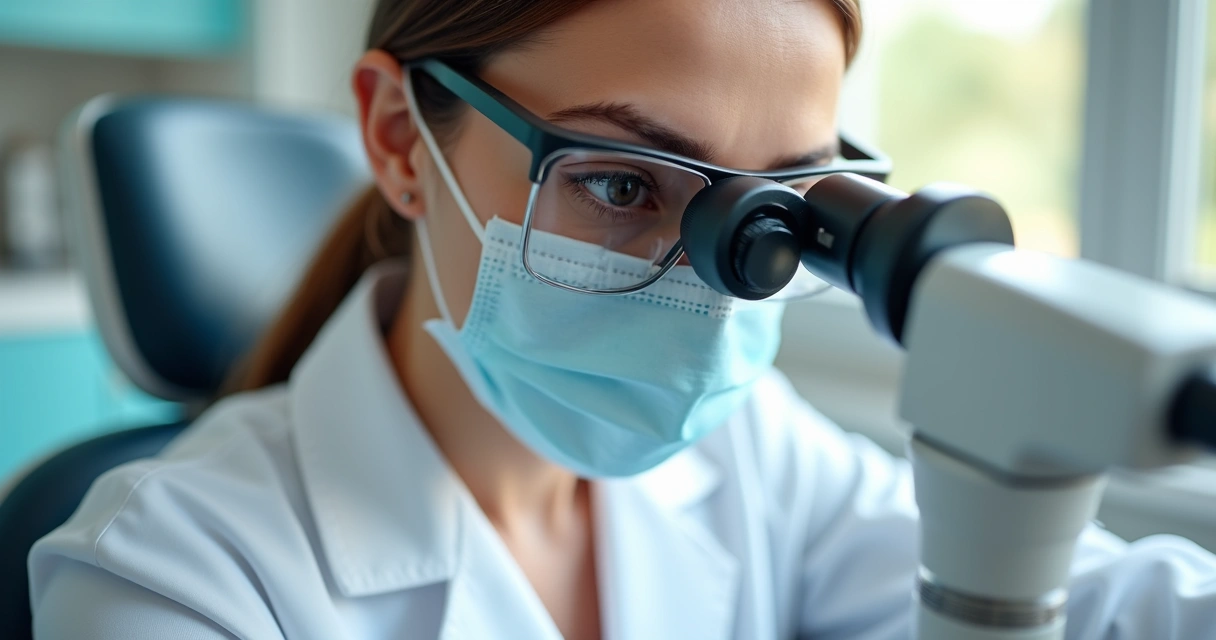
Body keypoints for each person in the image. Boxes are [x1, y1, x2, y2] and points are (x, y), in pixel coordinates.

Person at [27, 0, 1216, 638]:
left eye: (777, 212)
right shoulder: (175, 579)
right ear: (398, 138)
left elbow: (1112, 608)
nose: (702, 293)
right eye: (619, 182)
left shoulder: (752, 454)